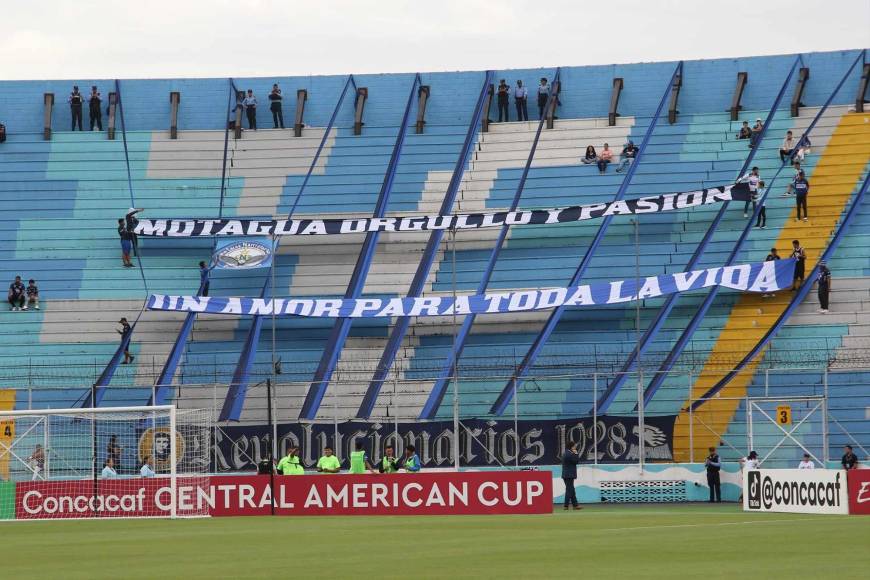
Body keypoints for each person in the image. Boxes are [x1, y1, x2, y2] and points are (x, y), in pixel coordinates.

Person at [561, 441, 582, 511]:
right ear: (572, 447)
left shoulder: (565, 453)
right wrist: (576, 454)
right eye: (574, 446)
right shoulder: (570, 454)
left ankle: (575, 505)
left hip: (566, 474)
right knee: (569, 490)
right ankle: (566, 505)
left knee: (572, 490)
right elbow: (576, 461)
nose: (575, 447)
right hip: (569, 475)